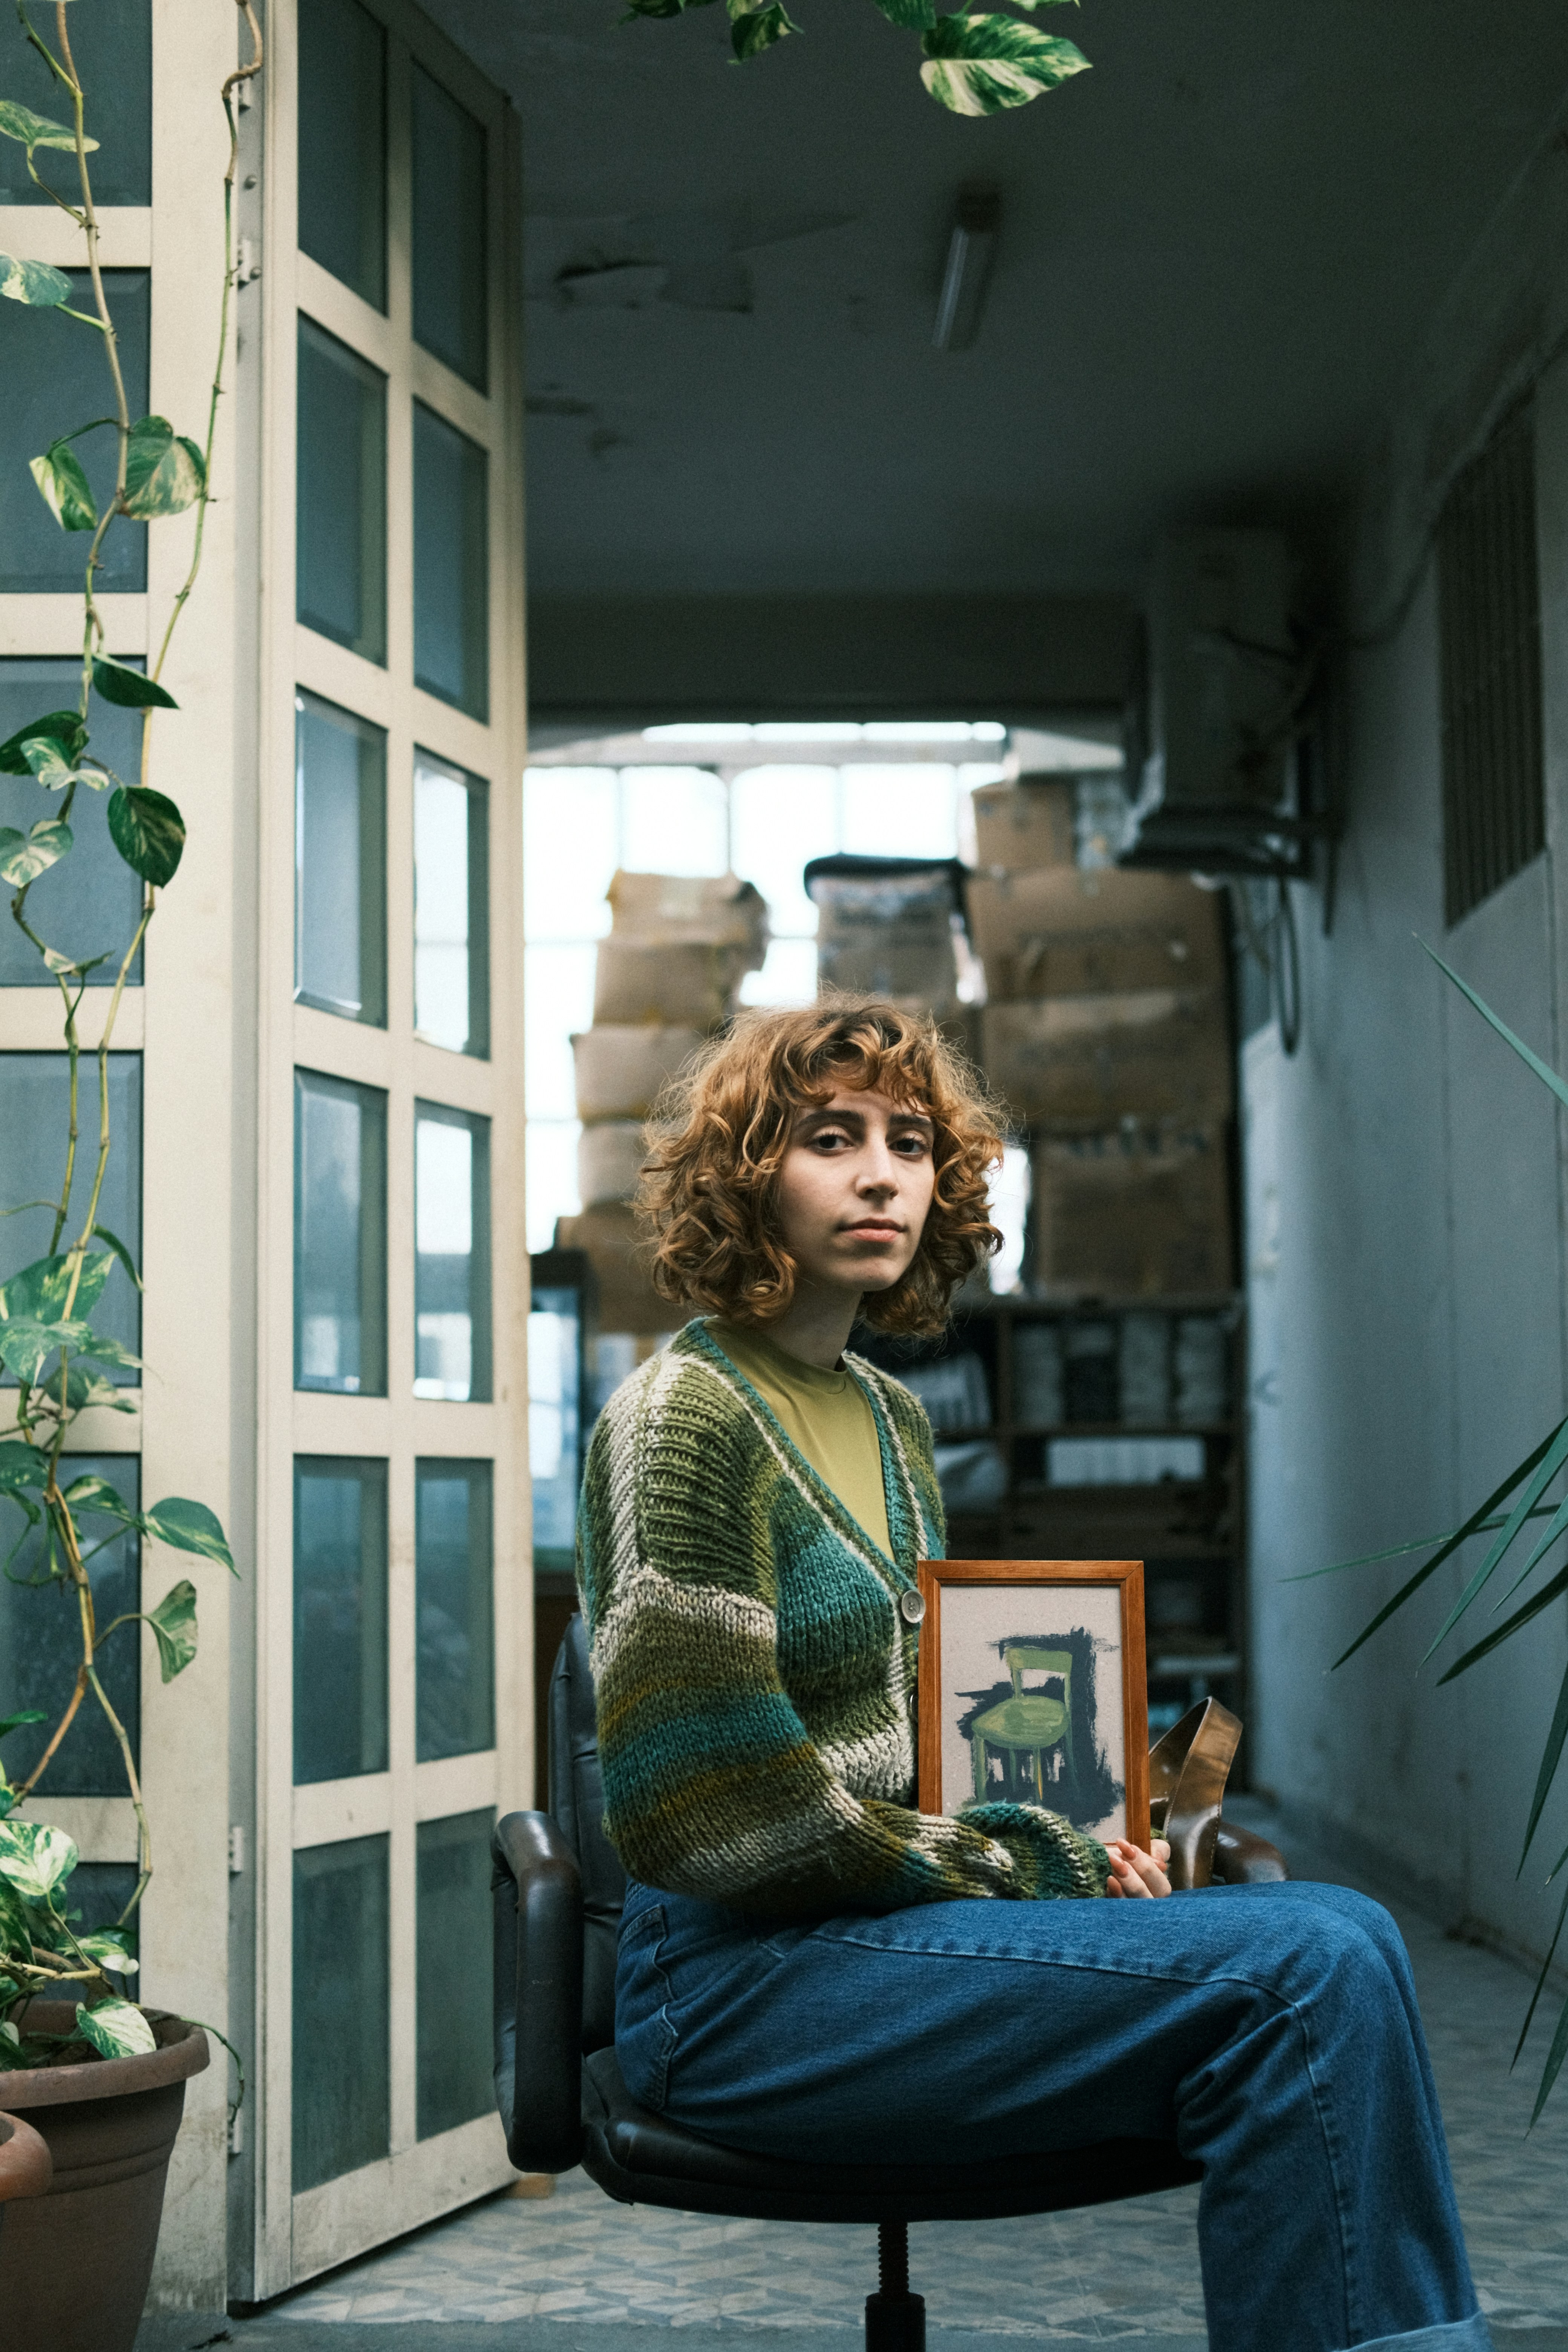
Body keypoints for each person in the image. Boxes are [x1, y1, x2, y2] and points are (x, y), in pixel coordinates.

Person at [574, 998, 1490, 2352]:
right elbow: (709, 1808)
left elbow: (926, 1748)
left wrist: (1090, 1844)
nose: (883, 1173)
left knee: (1348, 1932)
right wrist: (1026, 1863)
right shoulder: (680, 1418)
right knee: (1303, 1967)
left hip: (884, 1937)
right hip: (735, 1987)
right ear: (747, 1171)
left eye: (910, 1143)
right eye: (831, 1139)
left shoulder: (891, 1419)